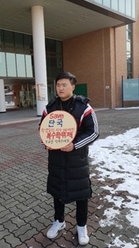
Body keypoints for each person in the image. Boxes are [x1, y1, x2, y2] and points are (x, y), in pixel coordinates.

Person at [39, 72, 99, 245]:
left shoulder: (84, 107)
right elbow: (42, 129)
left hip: (76, 160)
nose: (60, 88)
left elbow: (94, 132)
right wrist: (46, 143)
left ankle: (81, 225)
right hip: (56, 159)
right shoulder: (49, 108)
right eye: (58, 85)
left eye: (64, 85)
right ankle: (59, 221)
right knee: (57, 192)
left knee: (81, 194)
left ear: (73, 86)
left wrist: (75, 145)